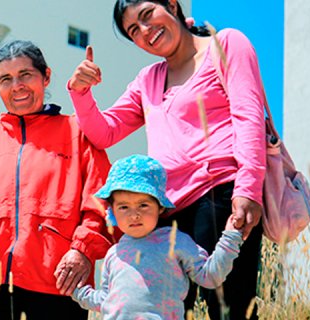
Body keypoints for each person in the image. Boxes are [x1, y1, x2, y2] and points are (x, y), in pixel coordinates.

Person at [67, 0, 266, 319]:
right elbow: (104, 133)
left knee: (229, 310)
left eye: (147, 15)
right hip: (166, 212)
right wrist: (80, 92)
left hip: (218, 196)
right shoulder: (148, 79)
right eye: (134, 29)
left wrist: (248, 189)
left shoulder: (225, 44)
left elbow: (249, 115)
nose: (145, 31)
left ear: (172, 5)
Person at [0, 40, 113, 320]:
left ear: (46, 77)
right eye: (6, 79)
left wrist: (82, 251)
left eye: (25, 75)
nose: (16, 85)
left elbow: (104, 202)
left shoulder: (77, 132)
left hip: (59, 285)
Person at [72, 154, 243, 319]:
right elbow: (106, 300)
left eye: (143, 205)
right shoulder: (114, 254)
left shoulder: (175, 242)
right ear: (113, 210)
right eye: (124, 207)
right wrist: (77, 291)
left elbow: (211, 276)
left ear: (160, 206)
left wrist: (230, 238)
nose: (134, 215)